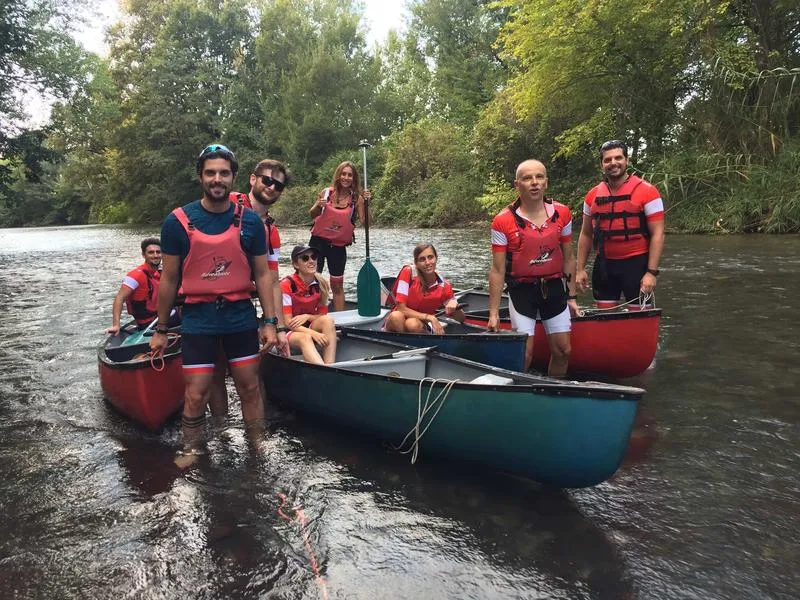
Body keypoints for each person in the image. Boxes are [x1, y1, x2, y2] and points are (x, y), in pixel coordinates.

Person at [150, 144, 286, 457]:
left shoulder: (251, 223)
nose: (217, 179)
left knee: (249, 387)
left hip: (239, 315)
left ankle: (257, 444)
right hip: (198, 318)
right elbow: (169, 279)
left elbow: (264, 276)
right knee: (196, 393)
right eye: (210, 172)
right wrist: (160, 329)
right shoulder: (177, 222)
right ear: (200, 176)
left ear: (234, 178)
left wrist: (270, 322)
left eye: (224, 173)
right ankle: (192, 449)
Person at [487, 159, 578, 376]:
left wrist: (572, 297)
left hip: (554, 287)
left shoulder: (562, 214)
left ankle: (552, 394)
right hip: (522, 291)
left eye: (539, 177)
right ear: (517, 184)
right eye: (527, 178)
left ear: (546, 182)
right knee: (524, 355)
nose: (534, 183)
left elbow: (569, 258)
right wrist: (493, 313)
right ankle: (517, 396)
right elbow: (498, 270)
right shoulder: (502, 221)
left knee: (563, 350)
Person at [575, 140, 665, 308]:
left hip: (637, 264)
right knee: (605, 318)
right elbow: (586, 234)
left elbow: (657, 234)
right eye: (607, 160)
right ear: (602, 164)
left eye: (618, 158)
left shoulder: (648, 191)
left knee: (640, 317)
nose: (613, 163)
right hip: (605, 266)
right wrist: (580, 269)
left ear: (627, 161)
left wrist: (651, 273)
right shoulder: (592, 196)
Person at [308, 161, 370, 311]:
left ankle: (340, 320)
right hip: (318, 243)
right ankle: (311, 313)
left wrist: (368, 204)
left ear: (353, 178)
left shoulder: (358, 199)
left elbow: (366, 223)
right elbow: (312, 214)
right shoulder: (327, 193)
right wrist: (318, 205)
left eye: (350, 175)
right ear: (338, 175)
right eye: (343, 174)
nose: (346, 178)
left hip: (338, 247)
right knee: (313, 281)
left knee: (337, 285)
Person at [384, 243, 464, 335]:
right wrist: (431, 318)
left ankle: (411, 341)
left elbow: (461, 318)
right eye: (422, 259)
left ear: (436, 258)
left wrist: (454, 305)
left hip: (418, 324)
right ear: (416, 263)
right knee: (396, 316)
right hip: (397, 320)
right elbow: (401, 309)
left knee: (412, 324)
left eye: (430, 257)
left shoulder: (444, 286)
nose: (427, 262)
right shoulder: (407, 272)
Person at [280, 245, 338, 365]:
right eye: (305, 258)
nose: (311, 261)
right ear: (296, 265)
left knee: (328, 320)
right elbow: (287, 322)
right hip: (288, 331)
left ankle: (330, 365)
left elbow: (322, 315)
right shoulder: (286, 285)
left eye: (314, 257)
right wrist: (314, 334)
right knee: (304, 338)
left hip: (309, 324)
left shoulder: (321, 284)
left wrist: (307, 316)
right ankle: (324, 371)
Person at [106, 237, 164, 334]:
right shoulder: (135, 275)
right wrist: (116, 325)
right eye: (151, 252)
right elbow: (119, 299)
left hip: (158, 318)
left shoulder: (161, 273)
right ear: (143, 255)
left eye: (158, 252)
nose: (155, 255)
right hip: (148, 323)